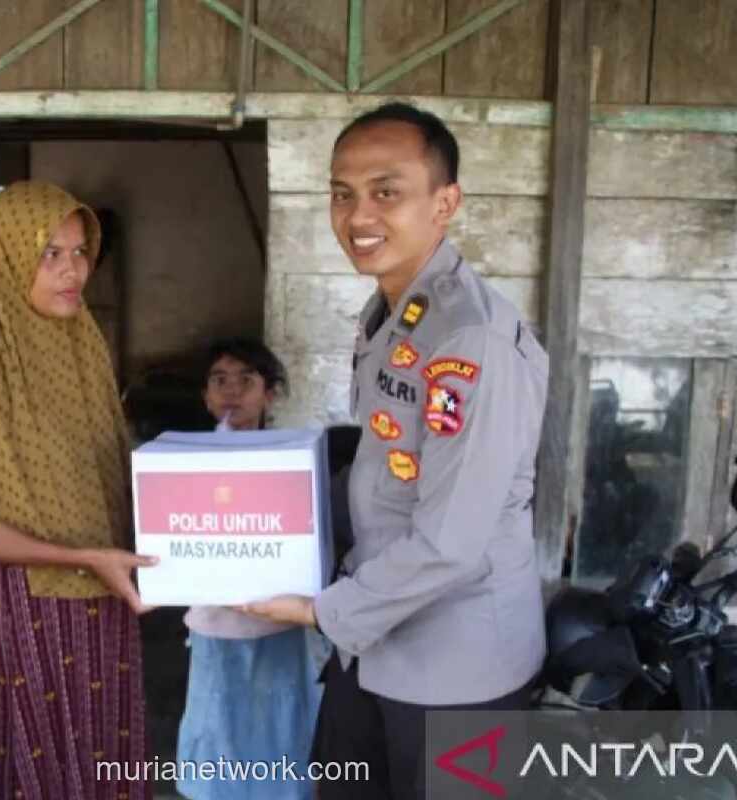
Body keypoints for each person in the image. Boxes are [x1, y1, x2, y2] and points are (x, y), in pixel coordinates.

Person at [244, 102, 549, 799]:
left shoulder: (467, 338)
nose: (359, 216)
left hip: (455, 666)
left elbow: (451, 540)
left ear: (446, 203)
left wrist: (322, 612)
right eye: (342, 194)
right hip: (376, 642)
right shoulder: (396, 310)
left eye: (387, 191)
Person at [0, 181, 156, 800]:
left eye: (79, 252)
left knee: (100, 750)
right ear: (9, 258)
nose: (73, 271)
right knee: (32, 765)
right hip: (13, 607)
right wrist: (80, 558)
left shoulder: (83, 346)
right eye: (51, 254)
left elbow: (107, 470)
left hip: (101, 589)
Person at [175, 338, 322, 800]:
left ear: (270, 394)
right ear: (205, 395)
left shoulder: (295, 459)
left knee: (281, 730)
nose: (232, 392)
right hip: (215, 626)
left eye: (246, 381)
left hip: (282, 624)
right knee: (218, 731)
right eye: (219, 381)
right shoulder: (183, 465)